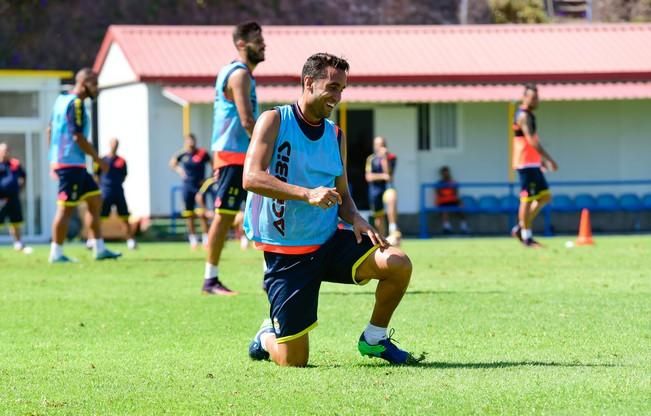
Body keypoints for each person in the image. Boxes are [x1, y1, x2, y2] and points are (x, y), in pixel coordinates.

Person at [244, 53, 421, 367]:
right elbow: (251, 177)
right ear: (309, 82)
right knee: (293, 361)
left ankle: (375, 339)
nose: (338, 97)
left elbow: (343, 195)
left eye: (343, 89)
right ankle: (266, 336)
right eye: (333, 87)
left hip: (329, 242)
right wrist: (306, 194)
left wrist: (356, 217)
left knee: (397, 263)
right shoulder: (274, 120)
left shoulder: (335, 135)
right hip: (287, 256)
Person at [203, 21, 265, 296]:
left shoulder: (242, 74)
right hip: (232, 156)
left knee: (262, 215)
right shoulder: (238, 75)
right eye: (257, 40)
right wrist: (268, 149)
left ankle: (270, 277)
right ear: (242, 44)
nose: (263, 45)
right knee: (224, 217)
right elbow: (247, 120)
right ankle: (210, 279)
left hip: (243, 155)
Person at [47, 68, 121, 263]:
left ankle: (99, 248)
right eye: (94, 83)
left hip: (71, 163)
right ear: (84, 83)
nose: (96, 88)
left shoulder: (60, 100)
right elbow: (77, 137)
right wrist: (98, 160)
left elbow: (50, 130)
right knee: (65, 209)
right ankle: (56, 253)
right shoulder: (76, 104)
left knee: (95, 199)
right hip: (70, 165)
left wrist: (52, 159)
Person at [511, 84, 558, 247]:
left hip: (532, 162)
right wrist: (549, 158)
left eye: (537, 97)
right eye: (532, 97)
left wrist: (541, 160)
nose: (536, 100)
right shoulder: (523, 116)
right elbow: (531, 140)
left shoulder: (529, 115)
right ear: (524, 98)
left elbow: (533, 140)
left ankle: (520, 227)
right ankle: (527, 237)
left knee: (545, 196)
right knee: (527, 199)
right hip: (525, 163)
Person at [169, 133, 211, 249]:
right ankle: (193, 239)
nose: (191, 143)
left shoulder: (202, 153)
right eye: (188, 141)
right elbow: (172, 163)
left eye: (192, 141)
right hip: (187, 187)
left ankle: (206, 238)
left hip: (200, 187)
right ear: (185, 142)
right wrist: (180, 170)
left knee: (202, 213)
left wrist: (209, 179)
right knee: (189, 214)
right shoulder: (182, 154)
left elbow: (213, 164)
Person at [95, 137, 136, 250]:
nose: (114, 146)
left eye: (116, 144)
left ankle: (130, 241)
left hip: (118, 191)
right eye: (113, 143)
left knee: (124, 217)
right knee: (100, 217)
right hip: (105, 192)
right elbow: (97, 175)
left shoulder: (121, 161)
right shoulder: (102, 160)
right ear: (109, 144)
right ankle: (92, 240)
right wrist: (101, 188)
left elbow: (124, 175)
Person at [0, 143, 31, 252]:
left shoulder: (15, 164)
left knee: (16, 221)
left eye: (7, 150)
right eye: (3, 150)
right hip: (1, 199)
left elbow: (23, 176)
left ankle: (18, 243)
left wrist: (20, 188)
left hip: (13, 198)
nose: (6, 152)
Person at [435, 166, 469, 234]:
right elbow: (439, 194)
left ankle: (464, 227)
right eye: (444, 173)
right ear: (441, 174)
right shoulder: (439, 183)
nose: (446, 175)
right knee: (445, 210)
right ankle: (447, 228)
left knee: (461, 207)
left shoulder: (453, 182)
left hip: (452, 201)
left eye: (447, 173)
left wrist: (460, 202)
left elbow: (456, 193)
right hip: (443, 202)